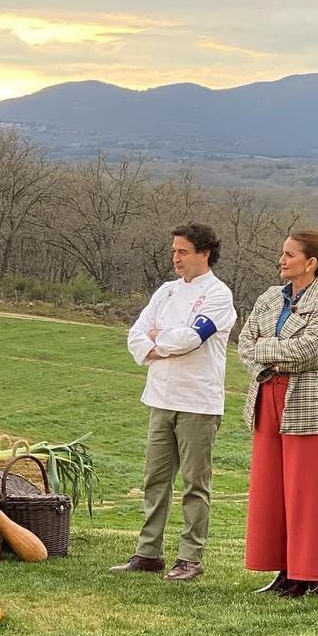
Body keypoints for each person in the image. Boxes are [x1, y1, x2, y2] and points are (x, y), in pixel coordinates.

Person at [112, 223, 236, 581]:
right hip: (160, 397)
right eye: (173, 251)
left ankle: (190, 558)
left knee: (195, 483)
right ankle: (148, 552)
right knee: (155, 478)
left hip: (198, 401)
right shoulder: (165, 292)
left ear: (204, 253)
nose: (176, 258)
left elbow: (193, 337)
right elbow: (136, 333)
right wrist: (153, 345)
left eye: (183, 251)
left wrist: (158, 341)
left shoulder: (218, 295)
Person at [240, 231, 318, 598]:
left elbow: (309, 350)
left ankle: (308, 576)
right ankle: (284, 571)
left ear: (310, 263)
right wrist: (270, 352)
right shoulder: (270, 297)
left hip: (307, 402)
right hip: (266, 395)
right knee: (271, 490)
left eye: (289, 255)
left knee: (305, 492)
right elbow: (244, 345)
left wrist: (264, 348)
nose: (281, 260)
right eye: (281, 253)